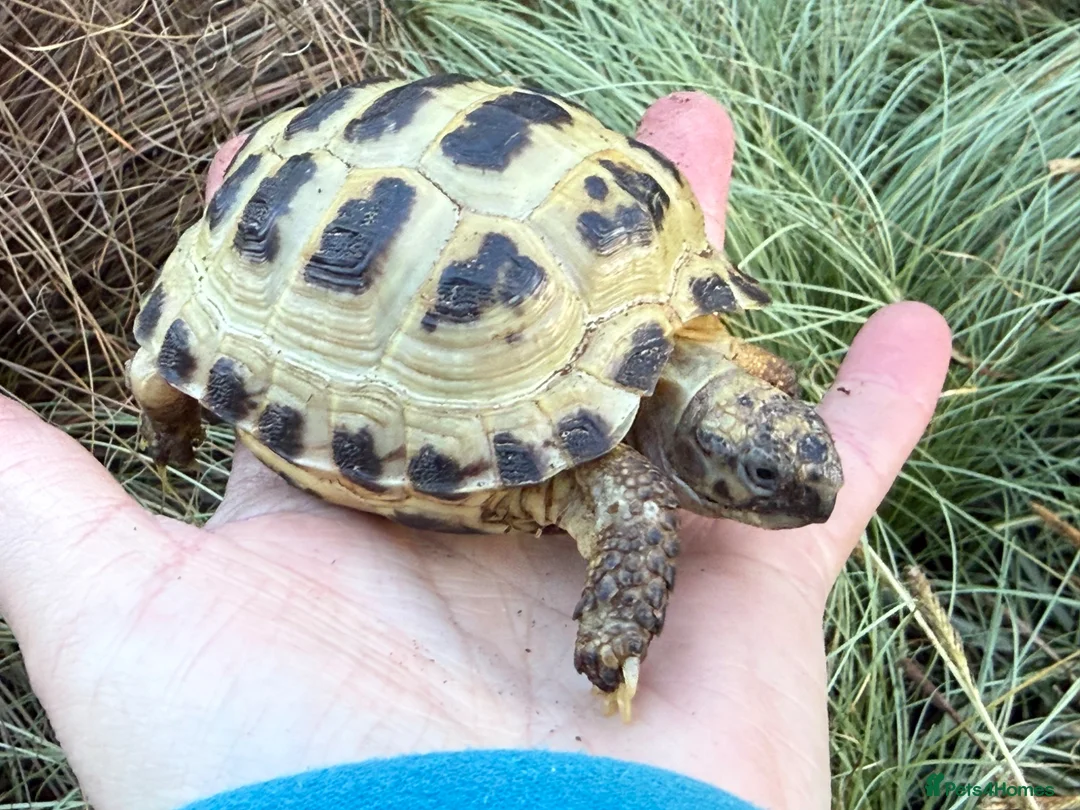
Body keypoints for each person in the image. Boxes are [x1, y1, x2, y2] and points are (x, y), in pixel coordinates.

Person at [0, 90, 951, 810]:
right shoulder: (628, 479)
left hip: (477, 188)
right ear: (704, 463)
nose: (786, 500)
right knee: (157, 380)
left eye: (777, 473)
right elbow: (641, 510)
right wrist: (617, 630)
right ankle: (171, 408)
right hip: (323, 238)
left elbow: (745, 376)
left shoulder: (696, 358)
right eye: (760, 481)